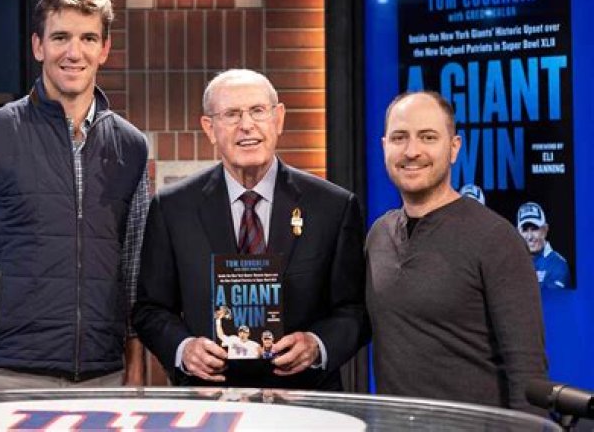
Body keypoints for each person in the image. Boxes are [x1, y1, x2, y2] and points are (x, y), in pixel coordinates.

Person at [0, 0, 149, 394]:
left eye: (88, 39)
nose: (74, 52)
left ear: (104, 49)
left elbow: (135, 268)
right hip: (4, 372)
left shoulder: (131, 146)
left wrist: (135, 368)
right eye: (60, 37)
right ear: (38, 46)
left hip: (103, 375)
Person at [132, 69, 367, 390]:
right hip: (210, 398)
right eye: (231, 114)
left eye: (257, 111)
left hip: (304, 399)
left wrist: (317, 344)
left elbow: (355, 309)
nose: (246, 125)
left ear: (278, 119)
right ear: (209, 128)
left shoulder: (333, 206)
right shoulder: (172, 208)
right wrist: (183, 349)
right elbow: (150, 308)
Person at [366, 90, 548, 412]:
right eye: (399, 138)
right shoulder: (378, 235)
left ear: (454, 148)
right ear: (384, 147)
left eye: (428, 137)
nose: (412, 151)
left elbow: (528, 371)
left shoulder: (497, 239)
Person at [517, 201, 571, 289]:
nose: (530, 237)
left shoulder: (557, 264)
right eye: (525, 230)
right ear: (518, 233)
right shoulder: (512, 263)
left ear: (545, 230)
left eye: (534, 229)